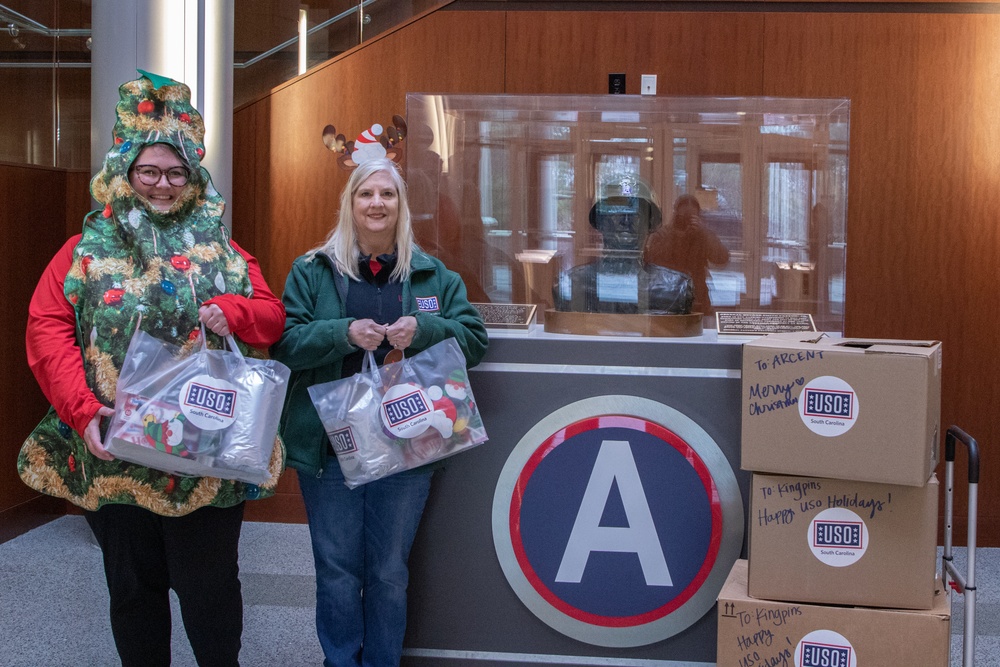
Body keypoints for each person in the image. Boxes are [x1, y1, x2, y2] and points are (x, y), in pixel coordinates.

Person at [17, 71, 286, 667]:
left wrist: (233, 310)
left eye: (175, 173)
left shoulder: (226, 249)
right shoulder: (83, 251)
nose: (162, 186)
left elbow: (271, 320)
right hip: (119, 448)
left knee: (210, 591)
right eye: (149, 172)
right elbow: (47, 328)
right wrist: (82, 410)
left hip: (208, 454)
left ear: (193, 177)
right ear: (124, 173)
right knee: (133, 591)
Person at [271, 156, 488, 667]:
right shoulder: (312, 271)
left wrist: (428, 330)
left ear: (401, 206)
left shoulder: (434, 275)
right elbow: (283, 344)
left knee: (389, 571)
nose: (376, 204)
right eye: (366, 194)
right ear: (350, 203)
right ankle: (341, 661)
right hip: (330, 445)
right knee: (337, 569)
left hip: (409, 446)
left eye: (387, 195)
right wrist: (341, 333)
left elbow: (474, 341)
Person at [553, 176, 694, 314]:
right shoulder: (570, 285)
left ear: (650, 223)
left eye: (636, 215)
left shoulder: (675, 288)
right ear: (600, 222)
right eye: (617, 213)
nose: (626, 221)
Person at [645, 193, 730, 315]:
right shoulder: (663, 235)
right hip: (667, 296)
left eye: (690, 217)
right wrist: (678, 237)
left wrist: (703, 233)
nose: (685, 222)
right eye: (683, 217)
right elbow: (652, 262)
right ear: (675, 215)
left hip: (697, 298)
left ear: (698, 217)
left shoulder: (702, 235)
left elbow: (722, 258)